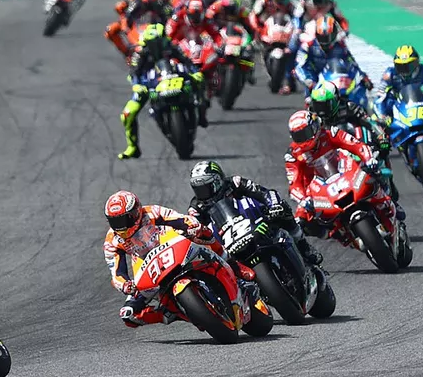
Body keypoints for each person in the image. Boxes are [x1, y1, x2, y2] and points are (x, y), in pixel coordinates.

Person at [103, 190, 246, 328]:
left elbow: (179, 218)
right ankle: (173, 314)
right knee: (128, 315)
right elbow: (116, 273)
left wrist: (193, 227)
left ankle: (234, 266)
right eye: (114, 222)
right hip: (147, 267)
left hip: (171, 245)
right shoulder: (112, 240)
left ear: (136, 212)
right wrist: (125, 285)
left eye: (123, 219)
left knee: (204, 234)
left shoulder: (151, 212)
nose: (120, 226)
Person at [284, 111, 405, 237]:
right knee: (300, 222)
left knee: (373, 171)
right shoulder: (292, 155)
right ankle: (334, 235)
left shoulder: (330, 133)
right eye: (298, 136)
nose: (303, 139)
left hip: (343, 171)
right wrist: (303, 199)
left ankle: (389, 202)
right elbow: (294, 184)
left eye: (305, 134)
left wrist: (369, 159)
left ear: (314, 128)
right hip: (316, 190)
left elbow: (356, 145)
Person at [186, 160, 324, 267]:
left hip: (257, 221)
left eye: (205, 187)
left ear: (217, 180)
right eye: (197, 189)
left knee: (283, 209)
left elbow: (265, 193)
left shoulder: (234, 183)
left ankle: (304, 247)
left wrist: (274, 205)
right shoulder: (196, 207)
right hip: (228, 241)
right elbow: (193, 230)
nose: (202, 193)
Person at [118, 23, 207, 160]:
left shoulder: (171, 46)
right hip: (150, 84)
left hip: (173, 77)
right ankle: (132, 147)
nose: (160, 44)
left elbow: (187, 62)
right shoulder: (140, 52)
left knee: (199, 81)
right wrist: (137, 86)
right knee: (127, 113)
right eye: (155, 42)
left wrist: (195, 73)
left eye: (161, 39)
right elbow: (134, 73)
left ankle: (201, 113)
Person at [308, 81, 397, 199]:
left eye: (325, 105)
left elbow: (369, 122)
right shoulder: (312, 114)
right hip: (330, 148)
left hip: (354, 140)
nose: (321, 110)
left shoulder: (349, 107)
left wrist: (381, 136)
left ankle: (388, 183)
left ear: (336, 100)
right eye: (318, 105)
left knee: (383, 147)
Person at [294, 15, 371, 95]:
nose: (324, 41)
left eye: (328, 37)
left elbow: (351, 62)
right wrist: (308, 80)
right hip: (314, 83)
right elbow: (299, 66)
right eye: (322, 37)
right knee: (310, 102)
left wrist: (363, 77)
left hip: (334, 80)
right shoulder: (307, 46)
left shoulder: (340, 46)